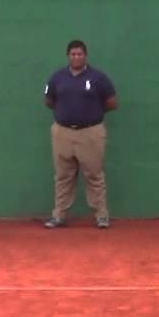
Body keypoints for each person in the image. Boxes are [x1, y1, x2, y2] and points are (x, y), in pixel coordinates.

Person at [43, 40, 118, 229]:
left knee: (94, 175)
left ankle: (101, 216)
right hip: (63, 133)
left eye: (80, 54)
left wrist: (91, 114)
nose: (76, 57)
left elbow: (111, 103)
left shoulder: (98, 77)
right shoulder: (57, 77)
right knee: (63, 176)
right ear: (68, 56)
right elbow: (49, 101)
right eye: (73, 54)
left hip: (91, 132)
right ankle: (58, 215)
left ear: (85, 56)